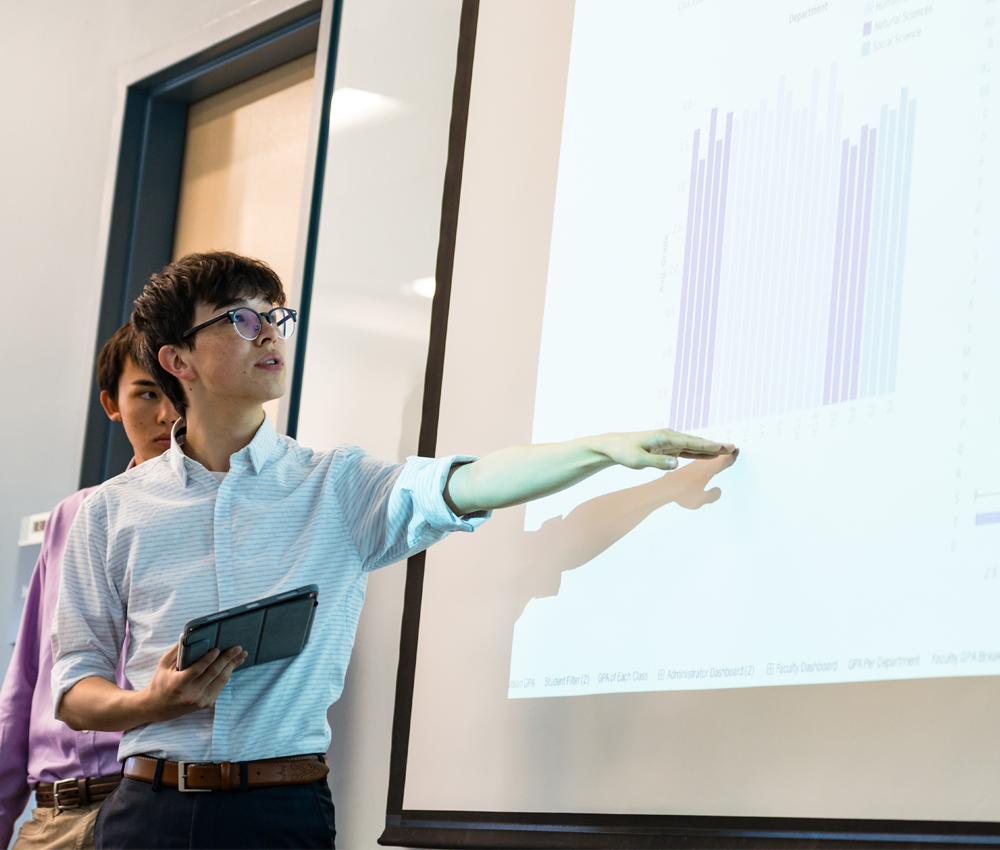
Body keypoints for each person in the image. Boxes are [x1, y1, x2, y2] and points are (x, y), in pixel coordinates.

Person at [50, 252, 736, 850]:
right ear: (177, 361)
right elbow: (76, 692)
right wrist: (152, 705)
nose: (270, 334)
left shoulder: (338, 485)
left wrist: (602, 450)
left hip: (279, 813)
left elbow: (464, 484)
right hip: (146, 813)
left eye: (276, 316)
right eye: (240, 318)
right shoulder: (110, 513)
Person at [0, 322, 179, 849]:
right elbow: (28, 673)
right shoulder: (73, 515)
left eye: (176, 393)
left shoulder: (219, 515)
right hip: (54, 815)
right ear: (112, 403)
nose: (166, 414)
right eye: (146, 393)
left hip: (150, 805)